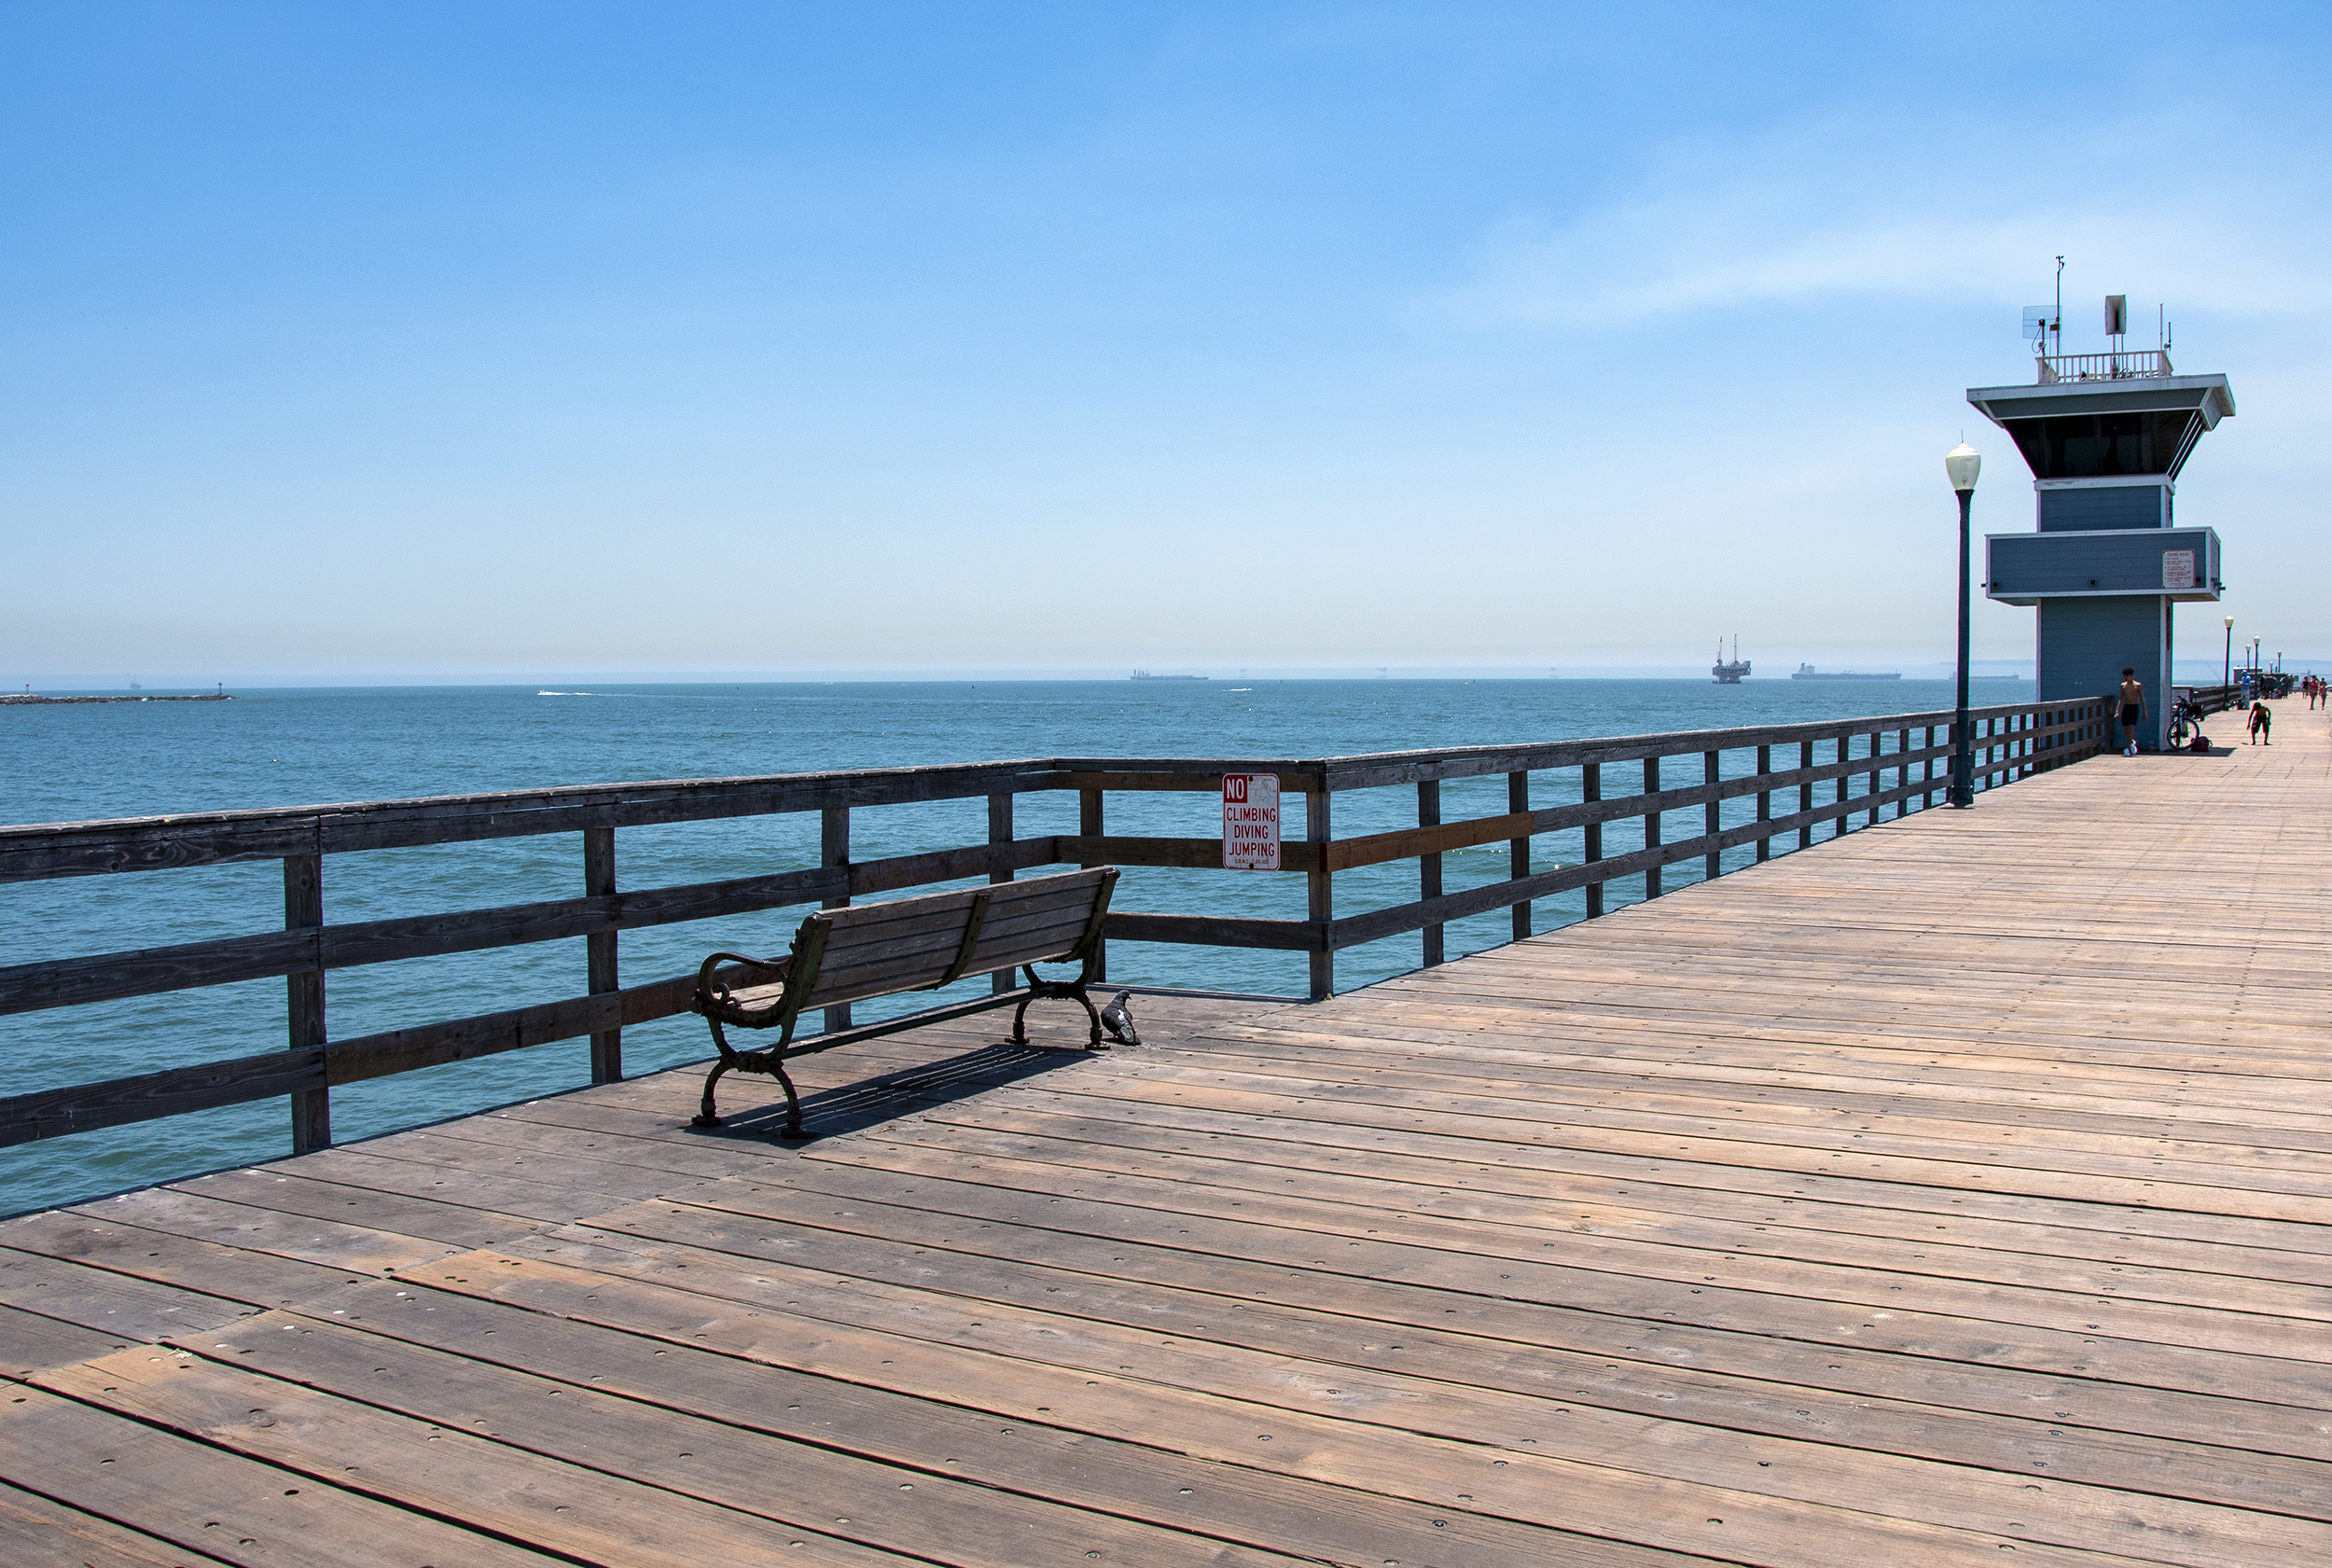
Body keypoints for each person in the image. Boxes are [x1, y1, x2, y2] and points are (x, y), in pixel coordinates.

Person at [2117, 668, 2145, 756]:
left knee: (2131, 727)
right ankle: (2132, 741)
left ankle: (2127, 748)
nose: (2126, 678)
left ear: (2131, 676)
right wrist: (2117, 710)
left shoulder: (2137, 685)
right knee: (2126, 730)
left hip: (2134, 707)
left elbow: (2142, 698)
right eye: (2125, 676)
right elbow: (2121, 698)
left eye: (2127, 676)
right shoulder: (2123, 686)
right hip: (2126, 707)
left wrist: (2145, 712)